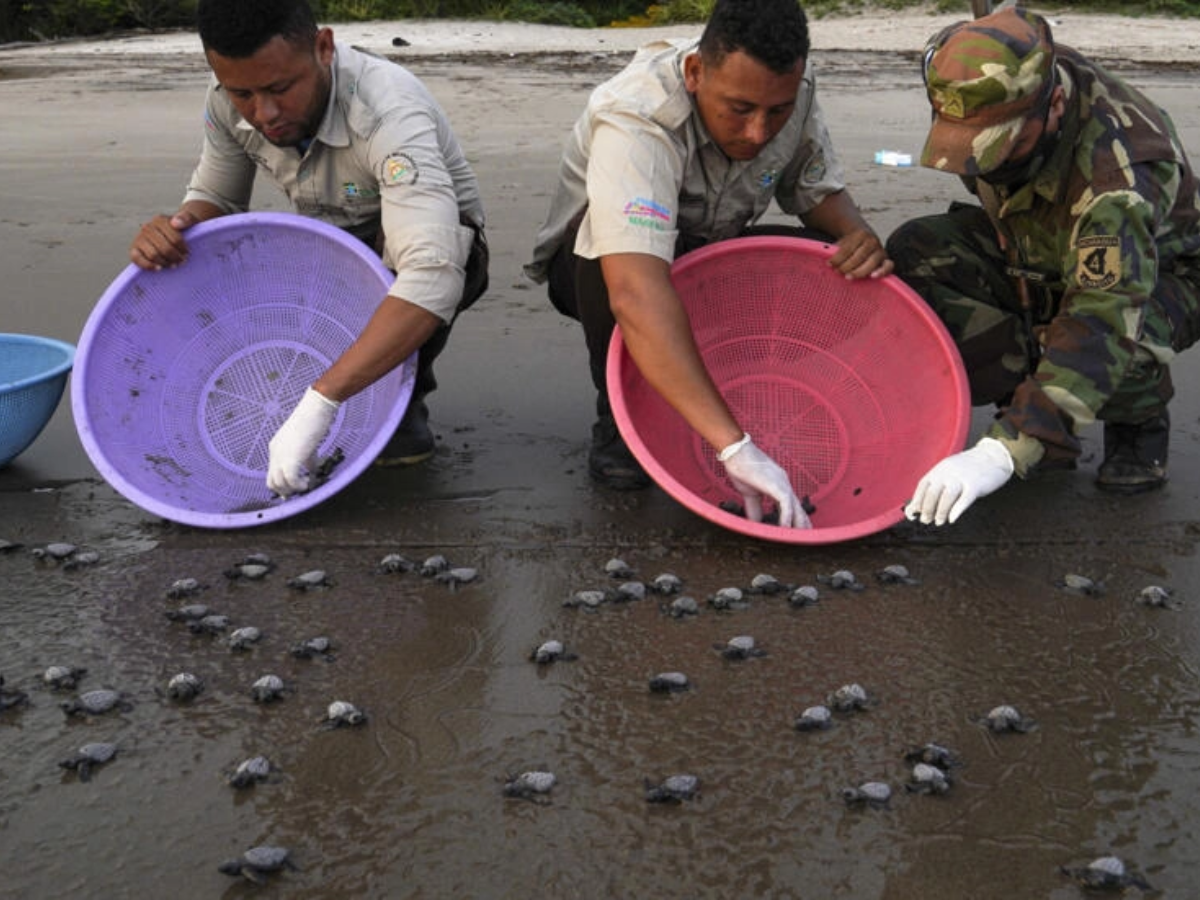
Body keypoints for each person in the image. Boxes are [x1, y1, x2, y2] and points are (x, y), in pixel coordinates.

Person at [525, 0, 891, 528]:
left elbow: (815, 191)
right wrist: (735, 449)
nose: (759, 133)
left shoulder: (795, 92)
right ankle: (622, 415)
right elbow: (635, 290)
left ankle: (737, 385)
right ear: (696, 73)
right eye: (739, 109)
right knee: (615, 267)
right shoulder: (637, 115)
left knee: (833, 263)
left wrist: (858, 235)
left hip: (717, 252)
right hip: (602, 270)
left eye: (778, 112)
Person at [129, 0, 488, 496]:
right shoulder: (225, 103)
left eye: (280, 89)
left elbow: (434, 272)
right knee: (222, 248)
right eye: (243, 94)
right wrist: (173, 228)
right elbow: (217, 199)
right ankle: (330, 376)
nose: (265, 114)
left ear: (323, 48)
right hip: (324, 241)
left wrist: (318, 404)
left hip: (420, 241)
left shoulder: (387, 111)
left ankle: (400, 395)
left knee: (412, 262)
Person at [891, 6, 1200, 526]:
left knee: (1115, 343)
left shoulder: (1115, 184)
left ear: (1054, 106)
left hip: (1158, 277)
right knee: (920, 252)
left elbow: (1102, 320)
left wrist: (1003, 451)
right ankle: (1033, 395)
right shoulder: (987, 74)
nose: (984, 163)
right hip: (1036, 241)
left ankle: (1136, 422)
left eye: (1001, 146)